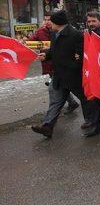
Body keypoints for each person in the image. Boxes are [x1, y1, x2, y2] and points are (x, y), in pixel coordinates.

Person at [31, 10, 96, 138]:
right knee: (56, 102)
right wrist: (47, 55)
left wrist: (74, 67)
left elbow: (82, 55)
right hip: (59, 75)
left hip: (73, 76)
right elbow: (54, 50)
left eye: (51, 21)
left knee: (85, 98)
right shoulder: (55, 33)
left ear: (58, 22)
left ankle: (91, 122)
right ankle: (47, 126)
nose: (48, 23)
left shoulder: (76, 35)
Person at [28, 12, 81, 115]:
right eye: (46, 20)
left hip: (63, 65)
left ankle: (61, 107)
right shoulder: (41, 31)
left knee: (59, 87)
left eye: (49, 20)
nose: (48, 22)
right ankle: (65, 106)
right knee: (58, 87)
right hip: (50, 64)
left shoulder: (67, 31)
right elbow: (31, 42)